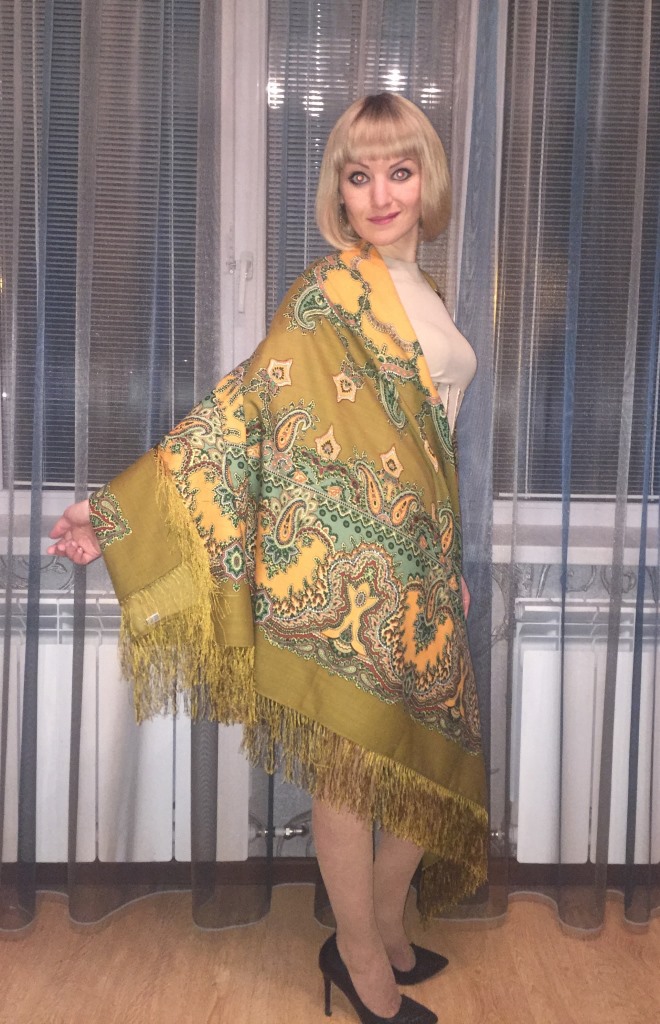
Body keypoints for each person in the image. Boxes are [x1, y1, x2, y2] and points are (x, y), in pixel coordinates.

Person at [48, 93, 487, 1024]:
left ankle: (386, 926)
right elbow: (246, 405)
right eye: (359, 175)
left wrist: (446, 555)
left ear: (428, 180)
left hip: (423, 567)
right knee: (351, 770)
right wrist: (113, 511)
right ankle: (359, 958)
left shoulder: (426, 293)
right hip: (347, 570)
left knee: (425, 764)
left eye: (399, 171)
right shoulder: (330, 291)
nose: (380, 195)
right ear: (339, 191)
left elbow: (432, 446)